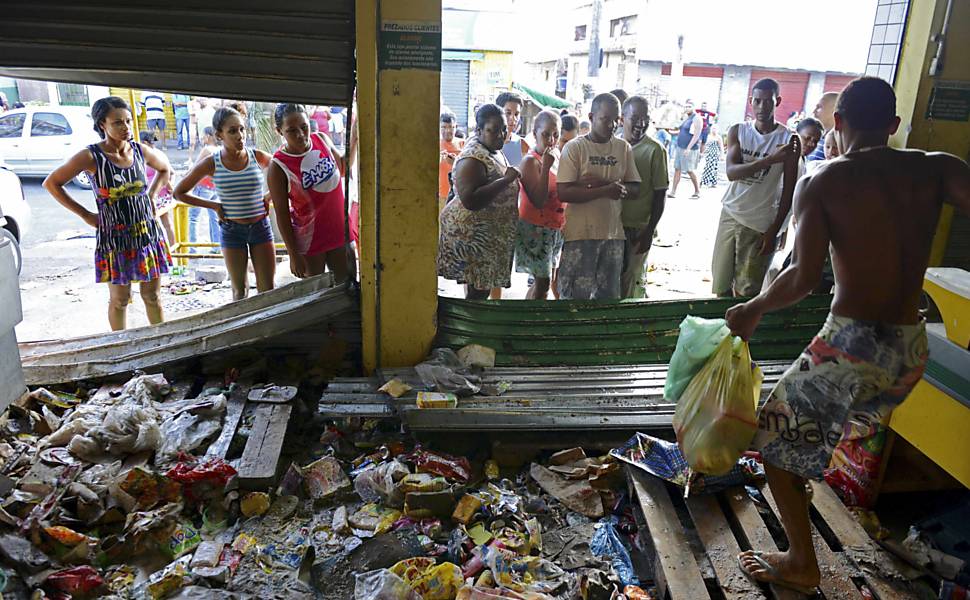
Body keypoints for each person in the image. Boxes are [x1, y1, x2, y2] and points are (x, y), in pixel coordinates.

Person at [728, 76, 970, 595]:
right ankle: (808, 481)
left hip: (852, 347)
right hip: (910, 350)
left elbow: (801, 277)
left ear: (837, 123)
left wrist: (752, 308)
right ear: (895, 124)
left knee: (773, 442)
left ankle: (801, 563)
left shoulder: (823, 182)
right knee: (806, 432)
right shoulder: (939, 168)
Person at [43, 96, 172, 330]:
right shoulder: (91, 156)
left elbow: (165, 169)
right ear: (102, 124)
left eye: (128, 121)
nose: (126, 127)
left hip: (146, 234)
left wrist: (152, 196)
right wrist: (86, 215)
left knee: (152, 296)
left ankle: (162, 341)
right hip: (115, 239)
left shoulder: (139, 151)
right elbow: (52, 183)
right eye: (117, 122)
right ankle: (120, 345)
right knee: (120, 300)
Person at [175, 108, 275, 300]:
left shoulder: (257, 156)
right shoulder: (212, 163)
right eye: (232, 131)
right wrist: (214, 206)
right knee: (239, 290)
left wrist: (269, 196)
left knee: (267, 289)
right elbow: (179, 193)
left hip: (260, 227)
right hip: (231, 230)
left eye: (242, 129)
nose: (240, 135)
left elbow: (285, 172)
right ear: (219, 135)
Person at [712, 78, 799, 298]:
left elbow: (789, 192)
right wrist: (769, 160)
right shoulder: (738, 131)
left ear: (778, 102)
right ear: (751, 101)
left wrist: (775, 230)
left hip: (760, 224)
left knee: (747, 291)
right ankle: (722, 322)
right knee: (720, 286)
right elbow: (732, 172)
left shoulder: (788, 139)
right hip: (730, 214)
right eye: (757, 101)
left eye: (768, 101)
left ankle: (739, 322)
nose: (762, 107)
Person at [556, 93, 641, 300]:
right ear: (591, 117)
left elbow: (635, 188)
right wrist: (605, 190)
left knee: (607, 299)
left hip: (613, 236)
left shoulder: (623, 148)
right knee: (574, 299)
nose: (612, 125)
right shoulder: (575, 148)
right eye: (605, 119)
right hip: (579, 235)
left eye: (616, 120)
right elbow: (564, 192)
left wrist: (609, 186)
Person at [438, 104, 522, 300]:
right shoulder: (473, 158)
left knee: (479, 289)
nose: (501, 135)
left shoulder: (492, 149)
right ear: (479, 130)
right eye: (493, 130)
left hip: (487, 236)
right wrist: (506, 181)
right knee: (478, 292)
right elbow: (470, 200)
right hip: (474, 237)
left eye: (503, 129)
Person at [267, 103, 358, 282]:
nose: (301, 134)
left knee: (348, 287)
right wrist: (293, 254)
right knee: (316, 293)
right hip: (310, 241)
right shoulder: (278, 166)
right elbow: (282, 214)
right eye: (292, 130)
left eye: (304, 127)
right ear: (279, 131)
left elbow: (343, 168)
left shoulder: (321, 139)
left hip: (340, 230)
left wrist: (354, 136)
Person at [620, 96, 668, 298]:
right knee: (612, 282)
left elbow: (660, 194)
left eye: (646, 119)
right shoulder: (613, 144)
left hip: (639, 229)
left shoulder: (655, 150)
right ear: (622, 118)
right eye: (635, 118)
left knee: (632, 282)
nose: (641, 124)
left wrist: (649, 231)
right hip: (612, 227)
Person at [515, 110, 564, 300]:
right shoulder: (530, 161)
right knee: (543, 283)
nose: (551, 140)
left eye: (556, 135)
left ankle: (529, 312)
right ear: (535, 133)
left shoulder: (555, 156)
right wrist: (545, 167)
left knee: (545, 282)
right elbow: (539, 200)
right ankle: (531, 316)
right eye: (546, 134)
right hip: (535, 229)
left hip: (554, 229)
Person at [186, 126, 222, 253]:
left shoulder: (207, 150)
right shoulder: (221, 149)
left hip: (203, 187)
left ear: (208, 136)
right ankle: (216, 247)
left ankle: (192, 248)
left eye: (203, 136)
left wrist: (186, 179)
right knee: (214, 217)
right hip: (215, 187)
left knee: (193, 217)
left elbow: (195, 168)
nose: (201, 138)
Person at [139, 131, 177, 246]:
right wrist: (170, 188)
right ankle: (173, 249)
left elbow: (167, 173)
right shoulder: (159, 153)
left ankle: (168, 250)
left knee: (156, 225)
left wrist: (169, 187)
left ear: (145, 143)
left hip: (156, 196)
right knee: (166, 224)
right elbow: (172, 173)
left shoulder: (151, 156)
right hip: (161, 195)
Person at [668, 101, 703, 199]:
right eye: (686, 106)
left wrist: (688, 148)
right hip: (680, 146)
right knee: (677, 169)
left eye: (689, 106)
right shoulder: (686, 117)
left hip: (690, 149)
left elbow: (696, 134)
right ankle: (673, 192)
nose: (687, 108)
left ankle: (697, 191)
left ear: (693, 107)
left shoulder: (697, 118)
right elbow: (682, 130)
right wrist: (672, 132)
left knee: (689, 170)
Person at [496, 92, 531, 177]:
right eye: (508, 113)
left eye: (516, 114)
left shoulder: (522, 145)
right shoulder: (485, 143)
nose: (513, 118)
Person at [439, 112, 463, 212]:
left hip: (459, 196)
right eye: (444, 127)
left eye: (451, 127)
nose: (448, 130)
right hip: (440, 195)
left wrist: (456, 162)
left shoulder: (463, 144)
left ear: (456, 127)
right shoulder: (434, 145)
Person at [807, 91, 838, 162]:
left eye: (819, 107)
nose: (813, 112)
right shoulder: (817, 138)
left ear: (834, 110)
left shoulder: (839, 144)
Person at [701, 122, 723, 188]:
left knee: (713, 168)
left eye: (715, 129)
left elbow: (721, 147)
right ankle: (708, 181)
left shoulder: (718, 137)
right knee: (708, 167)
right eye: (713, 128)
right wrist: (703, 153)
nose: (714, 130)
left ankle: (710, 182)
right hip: (708, 154)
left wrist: (722, 155)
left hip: (715, 154)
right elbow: (705, 145)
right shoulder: (709, 136)